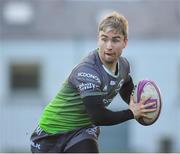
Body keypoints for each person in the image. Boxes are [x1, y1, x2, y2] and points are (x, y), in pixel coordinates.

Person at [30, 11, 156, 153]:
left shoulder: (124, 66)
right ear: (98, 39)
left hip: (82, 131)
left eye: (115, 40)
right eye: (104, 39)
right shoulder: (88, 71)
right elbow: (98, 116)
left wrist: (136, 102)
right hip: (51, 133)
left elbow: (125, 85)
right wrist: (132, 113)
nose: (109, 46)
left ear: (125, 42)